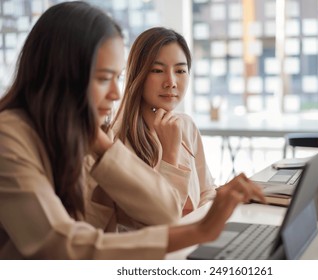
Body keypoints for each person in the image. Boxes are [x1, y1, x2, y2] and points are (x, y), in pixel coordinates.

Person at [0, 1, 265, 259]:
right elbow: (61, 247)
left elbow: (165, 212)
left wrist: (102, 146)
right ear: (61, 76)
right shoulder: (9, 136)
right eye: (104, 79)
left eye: (117, 77)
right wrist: (198, 231)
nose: (116, 93)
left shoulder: (84, 136)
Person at [114, 27, 238, 217]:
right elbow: (157, 218)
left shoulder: (185, 125)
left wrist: (216, 219)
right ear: (137, 75)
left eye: (180, 70)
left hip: (197, 235)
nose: (171, 82)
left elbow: (206, 192)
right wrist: (170, 155)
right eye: (157, 70)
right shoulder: (118, 140)